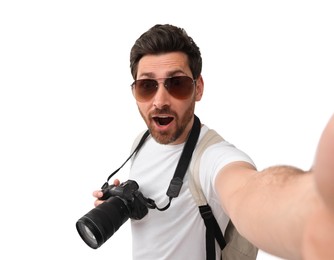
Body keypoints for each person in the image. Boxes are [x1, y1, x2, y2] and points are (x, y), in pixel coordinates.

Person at [93, 24, 334, 259]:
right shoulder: (141, 141)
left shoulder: (212, 158)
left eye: (176, 83)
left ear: (198, 88)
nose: (159, 101)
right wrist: (119, 205)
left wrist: (313, 216)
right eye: (147, 86)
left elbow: (247, 193)